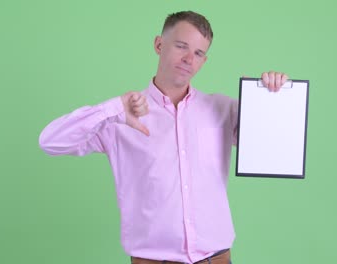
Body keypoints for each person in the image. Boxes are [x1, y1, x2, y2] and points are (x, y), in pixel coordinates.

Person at [39, 11, 288, 264]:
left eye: (199, 53)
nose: (189, 59)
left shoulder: (222, 109)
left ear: (204, 60)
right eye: (181, 46)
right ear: (159, 45)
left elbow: (278, 146)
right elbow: (50, 141)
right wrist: (111, 110)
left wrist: (271, 97)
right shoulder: (122, 117)